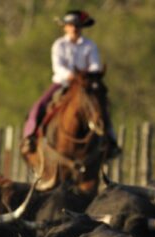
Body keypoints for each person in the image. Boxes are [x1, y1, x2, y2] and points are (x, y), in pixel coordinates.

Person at [22, 10, 118, 156]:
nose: (74, 28)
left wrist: (85, 76)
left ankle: (111, 141)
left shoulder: (90, 45)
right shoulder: (59, 45)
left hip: (85, 85)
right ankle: (30, 137)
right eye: (71, 25)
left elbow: (95, 65)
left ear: (81, 28)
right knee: (39, 105)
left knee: (101, 107)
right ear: (65, 27)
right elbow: (58, 67)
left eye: (77, 26)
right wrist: (70, 76)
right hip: (63, 83)